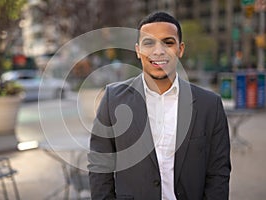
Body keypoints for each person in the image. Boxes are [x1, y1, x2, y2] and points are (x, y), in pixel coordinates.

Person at [88, 11, 231, 200]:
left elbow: (218, 172)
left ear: (180, 49)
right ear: (138, 50)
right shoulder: (112, 99)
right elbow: (100, 166)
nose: (158, 51)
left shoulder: (210, 105)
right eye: (149, 43)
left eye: (168, 42)